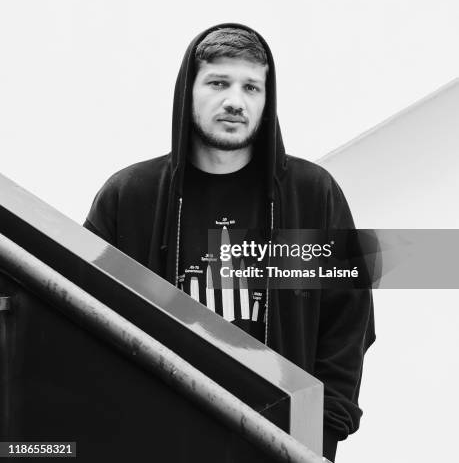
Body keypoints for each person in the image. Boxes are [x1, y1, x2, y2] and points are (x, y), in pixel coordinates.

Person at [83, 23, 375, 462]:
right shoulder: (130, 196)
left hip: (282, 442)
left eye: (251, 87)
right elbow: (86, 313)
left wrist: (322, 430)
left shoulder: (312, 194)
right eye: (218, 82)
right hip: (159, 441)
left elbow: (348, 322)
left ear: (266, 98)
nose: (235, 101)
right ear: (189, 91)